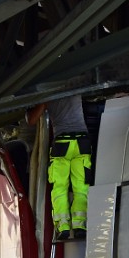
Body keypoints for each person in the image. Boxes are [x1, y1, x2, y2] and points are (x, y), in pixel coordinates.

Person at [28, 95, 91, 240]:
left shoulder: (47, 91)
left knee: (60, 188)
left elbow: (30, 120)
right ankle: (80, 226)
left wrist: (43, 103)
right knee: (81, 187)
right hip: (82, 141)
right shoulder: (75, 84)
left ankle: (63, 228)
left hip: (62, 143)